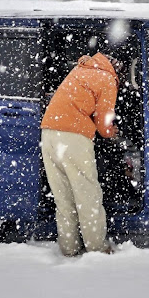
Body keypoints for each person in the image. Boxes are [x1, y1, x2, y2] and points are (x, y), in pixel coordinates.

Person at [40, 52, 122, 256]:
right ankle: (96, 248)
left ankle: (69, 248)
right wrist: (112, 133)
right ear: (115, 64)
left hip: (49, 133)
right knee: (87, 195)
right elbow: (104, 122)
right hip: (73, 137)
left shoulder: (81, 69)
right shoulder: (107, 78)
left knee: (63, 198)